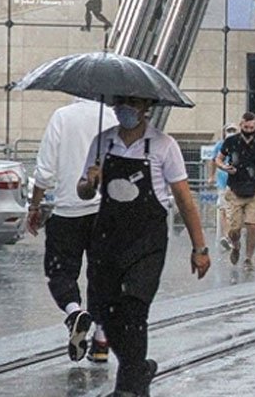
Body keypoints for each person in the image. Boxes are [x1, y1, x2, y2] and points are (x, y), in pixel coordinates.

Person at [77, 96, 210, 396]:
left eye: (132, 102)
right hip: (108, 238)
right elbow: (83, 191)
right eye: (121, 102)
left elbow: (184, 199)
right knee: (105, 312)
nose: (125, 108)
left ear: (146, 107)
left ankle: (129, 387)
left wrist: (199, 248)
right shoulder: (102, 142)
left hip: (147, 241)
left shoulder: (164, 146)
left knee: (134, 308)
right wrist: (89, 182)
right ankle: (140, 369)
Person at [26, 98, 117, 363]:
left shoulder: (62, 116)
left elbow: (45, 170)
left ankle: (74, 311)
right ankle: (101, 340)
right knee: (102, 274)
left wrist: (35, 206)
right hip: (105, 211)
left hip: (68, 211)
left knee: (60, 270)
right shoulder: (112, 117)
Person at [215, 112, 255, 270]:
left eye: (252, 127)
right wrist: (223, 167)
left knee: (252, 226)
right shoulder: (231, 142)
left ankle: (248, 258)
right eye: (246, 127)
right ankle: (236, 245)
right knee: (234, 229)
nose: (248, 130)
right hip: (234, 189)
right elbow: (218, 159)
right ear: (241, 125)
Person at [207, 123, 239, 251]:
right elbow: (213, 160)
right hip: (222, 183)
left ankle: (234, 236)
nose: (231, 132)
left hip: (237, 183)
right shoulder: (220, 145)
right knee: (223, 209)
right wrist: (211, 176)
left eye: (233, 130)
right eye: (229, 130)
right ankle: (227, 236)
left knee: (235, 211)